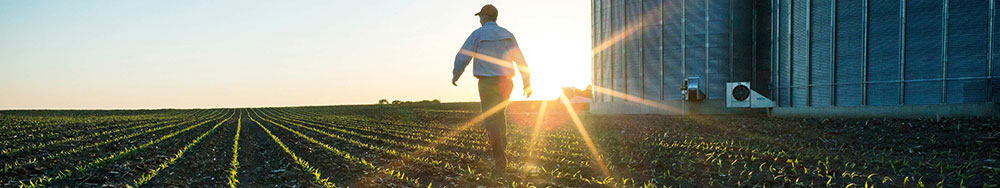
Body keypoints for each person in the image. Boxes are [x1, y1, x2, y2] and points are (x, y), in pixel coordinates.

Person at [451, 4, 531, 176]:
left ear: (485, 17)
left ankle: (500, 160)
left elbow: (462, 56)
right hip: (506, 83)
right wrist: (527, 81)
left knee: (491, 121)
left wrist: (455, 75)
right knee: (499, 115)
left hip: (487, 84)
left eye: (480, 16)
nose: (480, 19)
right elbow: (520, 59)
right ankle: (502, 145)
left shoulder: (478, 34)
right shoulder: (508, 35)